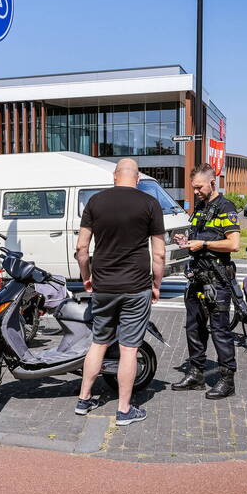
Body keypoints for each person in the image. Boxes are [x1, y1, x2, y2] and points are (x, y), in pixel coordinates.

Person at [74, 158, 166, 426]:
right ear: (137, 179)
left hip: (103, 285)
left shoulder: (95, 202)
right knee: (128, 349)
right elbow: (158, 253)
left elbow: (82, 249)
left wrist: (87, 277)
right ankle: (124, 410)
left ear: (114, 176)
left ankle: (84, 399)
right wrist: (156, 284)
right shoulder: (150, 204)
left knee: (98, 342)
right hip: (136, 287)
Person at [172, 163, 242, 399]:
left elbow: (233, 244)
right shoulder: (200, 209)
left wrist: (204, 244)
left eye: (199, 187)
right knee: (194, 328)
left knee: (220, 331)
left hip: (217, 281)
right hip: (197, 279)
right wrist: (187, 240)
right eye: (193, 188)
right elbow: (198, 237)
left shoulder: (225, 207)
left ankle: (226, 379)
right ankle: (196, 374)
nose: (196, 192)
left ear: (213, 183)